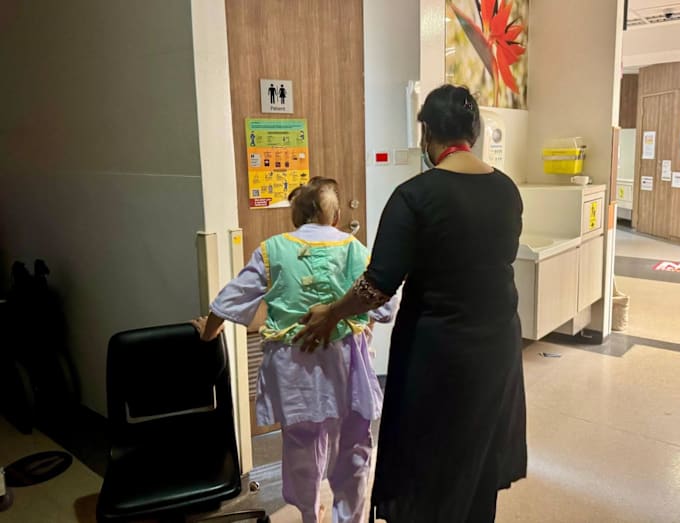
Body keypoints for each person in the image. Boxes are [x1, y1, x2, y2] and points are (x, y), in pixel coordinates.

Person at [294, 85, 527, 522]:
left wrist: (332, 313)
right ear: (474, 132)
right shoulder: (506, 191)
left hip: (438, 352)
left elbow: (377, 287)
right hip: (498, 348)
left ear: (427, 134)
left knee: (429, 459)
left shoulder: (414, 196)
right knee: (477, 456)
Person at [192, 177, 395, 523]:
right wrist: (361, 329)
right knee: (351, 447)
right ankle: (349, 518)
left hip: (293, 369)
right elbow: (386, 307)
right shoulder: (354, 249)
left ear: (296, 217)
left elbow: (228, 301)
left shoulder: (272, 250)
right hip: (346, 364)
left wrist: (208, 333)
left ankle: (309, 513)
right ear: (335, 217)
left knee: (302, 446)